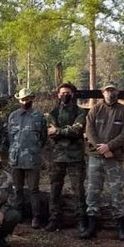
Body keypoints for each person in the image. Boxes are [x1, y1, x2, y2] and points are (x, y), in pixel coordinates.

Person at [82, 83, 124, 241]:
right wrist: (101, 148)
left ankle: (121, 227)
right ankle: (92, 226)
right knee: (92, 192)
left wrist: (109, 147)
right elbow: (89, 131)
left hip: (114, 157)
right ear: (103, 93)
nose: (110, 93)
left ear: (117, 92)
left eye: (113, 90)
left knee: (117, 191)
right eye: (107, 91)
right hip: (95, 157)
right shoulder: (95, 109)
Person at [44, 82, 87, 234]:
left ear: (73, 94)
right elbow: (51, 133)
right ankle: (54, 220)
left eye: (67, 92)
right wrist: (66, 132)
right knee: (55, 190)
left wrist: (60, 131)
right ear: (58, 95)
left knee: (79, 191)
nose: (64, 95)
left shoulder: (80, 111)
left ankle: (82, 221)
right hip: (57, 157)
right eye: (62, 93)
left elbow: (77, 130)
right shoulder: (53, 113)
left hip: (76, 157)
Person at [7, 87, 47, 229]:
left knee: (33, 190)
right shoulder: (13, 116)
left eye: (28, 99)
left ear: (32, 99)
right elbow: (9, 137)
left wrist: (34, 149)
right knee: (16, 188)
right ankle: (17, 215)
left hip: (32, 159)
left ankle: (36, 217)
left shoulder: (39, 116)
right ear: (19, 100)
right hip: (15, 159)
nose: (25, 101)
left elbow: (43, 137)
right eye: (23, 99)